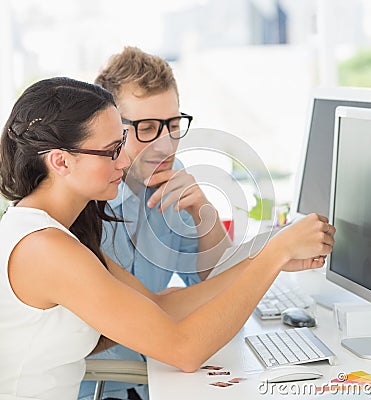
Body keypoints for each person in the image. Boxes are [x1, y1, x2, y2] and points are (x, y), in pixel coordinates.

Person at [0, 76, 335, 400]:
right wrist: (274, 253)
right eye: (112, 150)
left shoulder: (60, 233)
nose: (126, 159)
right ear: (61, 161)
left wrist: (270, 259)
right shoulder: (44, 248)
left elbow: (160, 306)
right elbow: (184, 350)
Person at [80, 46, 233, 400]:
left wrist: (204, 214)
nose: (165, 145)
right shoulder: (83, 199)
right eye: (147, 128)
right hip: (92, 387)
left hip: (154, 379)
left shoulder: (174, 182)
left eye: (174, 125)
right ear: (110, 129)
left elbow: (220, 288)